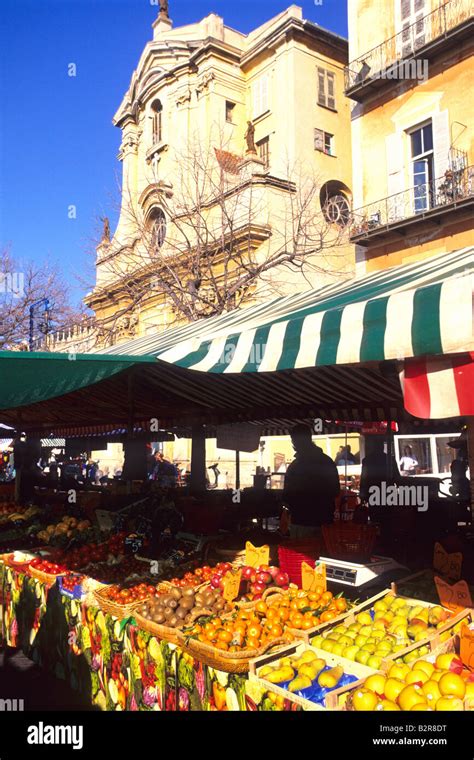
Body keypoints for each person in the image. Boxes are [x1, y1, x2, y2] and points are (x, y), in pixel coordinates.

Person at [283, 424, 340, 537]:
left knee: (302, 553)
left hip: (301, 521)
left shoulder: (296, 466)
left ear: (295, 441)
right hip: (324, 522)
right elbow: (335, 490)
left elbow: (287, 495)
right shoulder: (327, 462)